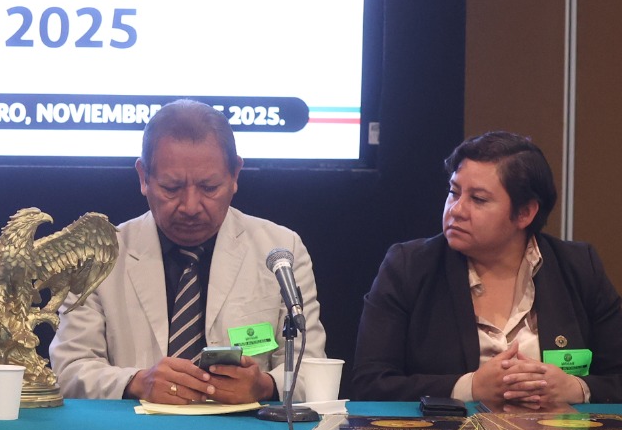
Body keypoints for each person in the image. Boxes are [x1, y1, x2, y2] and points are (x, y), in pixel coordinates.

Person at [50, 99, 325, 403]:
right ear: (143, 177)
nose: (190, 206)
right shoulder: (99, 257)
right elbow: (68, 370)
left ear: (235, 174)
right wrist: (136, 382)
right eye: (171, 188)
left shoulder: (280, 250)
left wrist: (264, 386)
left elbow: (312, 367)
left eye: (209, 188)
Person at [349, 131, 622, 408]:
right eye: (454, 192)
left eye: (478, 199)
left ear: (525, 213)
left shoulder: (578, 266)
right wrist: (469, 387)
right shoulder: (409, 266)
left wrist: (576, 388)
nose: (456, 210)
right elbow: (370, 383)